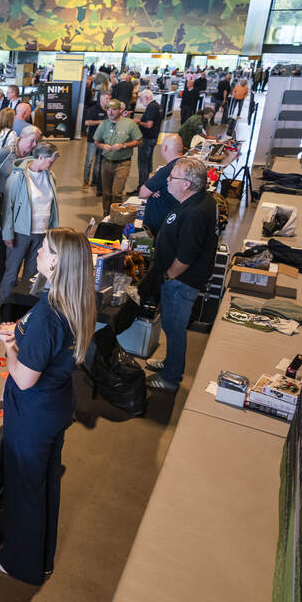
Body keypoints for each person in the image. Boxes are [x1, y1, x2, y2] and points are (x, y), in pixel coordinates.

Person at [0, 226, 95, 585]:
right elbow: (35, 335)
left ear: (56, 261)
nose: (37, 251)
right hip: (55, 407)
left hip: (33, 413)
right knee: (45, 483)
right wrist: (17, 332)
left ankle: (20, 563)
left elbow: (22, 378)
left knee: (24, 491)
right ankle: (42, 558)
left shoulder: (52, 314)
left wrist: (9, 347)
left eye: (44, 248)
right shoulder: (75, 301)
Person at [136, 156, 220, 392]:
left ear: (186, 184)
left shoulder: (194, 213)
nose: (168, 181)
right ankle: (170, 362)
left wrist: (169, 275)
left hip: (182, 282)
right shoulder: (197, 200)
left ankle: (171, 377)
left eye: (172, 177)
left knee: (174, 327)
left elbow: (186, 256)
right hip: (179, 280)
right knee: (171, 326)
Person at [0, 142, 60, 304]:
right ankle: (5, 307)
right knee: (11, 274)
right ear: (39, 157)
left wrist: (52, 232)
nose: (52, 165)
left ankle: (23, 308)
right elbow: (8, 208)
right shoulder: (17, 177)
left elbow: (52, 207)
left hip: (42, 234)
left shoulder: (50, 176)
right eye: (50, 161)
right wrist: (7, 234)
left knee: (31, 275)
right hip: (20, 233)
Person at [0, 125, 40, 287]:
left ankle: (12, 275)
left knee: (16, 239)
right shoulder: (7, 152)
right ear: (22, 137)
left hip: (22, 203)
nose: (34, 144)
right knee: (1, 239)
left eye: (37, 141)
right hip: (3, 200)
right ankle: (1, 274)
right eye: (32, 140)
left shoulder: (34, 155)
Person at [93, 99, 142, 216]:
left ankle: (117, 218)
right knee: (106, 193)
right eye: (108, 109)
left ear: (120, 110)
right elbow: (96, 141)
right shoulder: (103, 124)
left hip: (123, 163)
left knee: (116, 193)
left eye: (114, 110)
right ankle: (106, 216)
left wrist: (123, 145)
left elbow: (138, 141)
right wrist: (102, 146)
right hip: (106, 162)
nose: (110, 112)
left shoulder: (130, 124)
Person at [138, 134, 185, 235]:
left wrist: (151, 188)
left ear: (165, 148)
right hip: (175, 221)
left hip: (160, 227)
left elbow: (143, 193)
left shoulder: (168, 169)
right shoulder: (185, 164)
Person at [135, 89, 162, 188]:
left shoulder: (151, 107)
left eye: (141, 99)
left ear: (146, 97)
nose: (141, 102)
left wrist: (138, 122)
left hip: (147, 139)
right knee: (148, 162)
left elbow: (149, 125)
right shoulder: (157, 106)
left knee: (143, 164)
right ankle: (148, 185)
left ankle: (142, 187)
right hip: (153, 138)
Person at [83, 91, 109, 192]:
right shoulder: (93, 109)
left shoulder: (108, 110)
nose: (108, 100)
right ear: (101, 98)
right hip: (92, 140)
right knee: (89, 161)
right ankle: (85, 180)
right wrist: (99, 122)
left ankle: (95, 180)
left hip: (103, 141)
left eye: (109, 98)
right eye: (106, 98)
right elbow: (87, 122)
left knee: (99, 161)